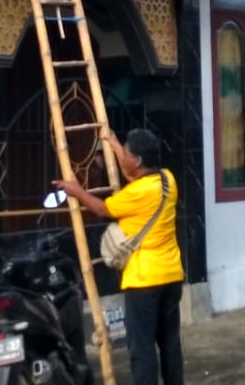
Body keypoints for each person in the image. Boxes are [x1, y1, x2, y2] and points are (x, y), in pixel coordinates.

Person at [53, 129, 183, 385]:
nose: (123, 155)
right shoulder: (168, 179)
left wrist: (76, 190)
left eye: (127, 151)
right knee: (170, 344)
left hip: (144, 282)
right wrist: (112, 143)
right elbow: (130, 172)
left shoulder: (135, 194)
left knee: (142, 348)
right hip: (172, 276)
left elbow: (101, 208)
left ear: (137, 161)